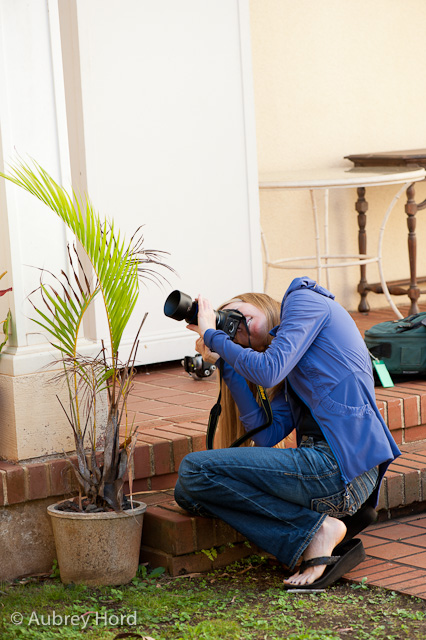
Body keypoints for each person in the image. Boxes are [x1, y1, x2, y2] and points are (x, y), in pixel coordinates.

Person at [174, 277, 400, 588]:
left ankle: (316, 532)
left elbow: (267, 369)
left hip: (338, 466)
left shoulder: (304, 300)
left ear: (256, 299)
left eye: (235, 315)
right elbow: (267, 434)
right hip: (333, 473)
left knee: (193, 468)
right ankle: (314, 528)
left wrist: (213, 335)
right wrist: (227, 362)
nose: (238, 329)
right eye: (234, 334)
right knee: (187, 491)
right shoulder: (293, 366)